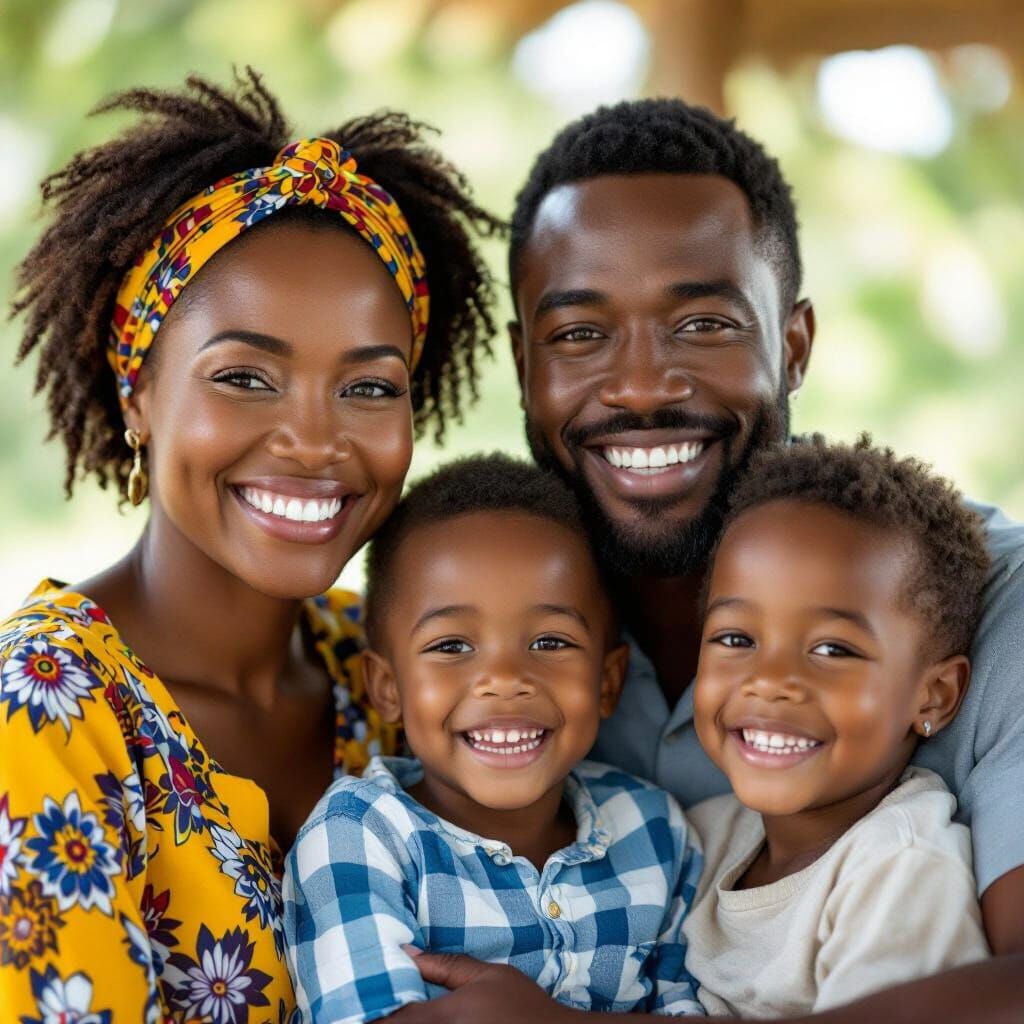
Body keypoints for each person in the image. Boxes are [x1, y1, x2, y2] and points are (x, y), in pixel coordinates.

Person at [399, 99, 1024, 1021]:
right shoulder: (484, 646)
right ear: (525, 364)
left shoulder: (984, 595)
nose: (644, 385)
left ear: (794, 344)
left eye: (704, 325)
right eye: (579, 334)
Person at [0, 69, 498, 1022]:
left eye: (368, 387)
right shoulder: (42, 714)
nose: (316, 442)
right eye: (245, 377)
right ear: (138, 394)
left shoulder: (402, 668)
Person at [283, 454, 704, 1021]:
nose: (506, 679)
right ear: (386, 688)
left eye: (550, 642)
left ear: (609, 682)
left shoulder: (653, 826)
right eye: (451, 646)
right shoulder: (360, 836)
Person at [684, 435, 990, 1015]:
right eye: (736, 638)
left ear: (935, 696)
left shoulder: (898, 871)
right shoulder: (705, 836)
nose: (769, 679)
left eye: (832, 649)